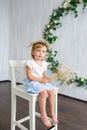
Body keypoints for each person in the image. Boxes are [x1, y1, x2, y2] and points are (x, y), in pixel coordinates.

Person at [23, 39, 58, 128]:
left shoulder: (43, 63)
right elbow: (29, 76)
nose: (40, 53)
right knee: (43, 92)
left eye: (43, 51)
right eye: (38, 51)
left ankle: (52, 112)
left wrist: (46, 78)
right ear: (33, 52)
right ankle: (43, 114)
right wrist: (41, 80)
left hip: (40, 81)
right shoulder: (30, 63)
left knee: (52, 91)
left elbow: (42, 74)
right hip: (32, 81)